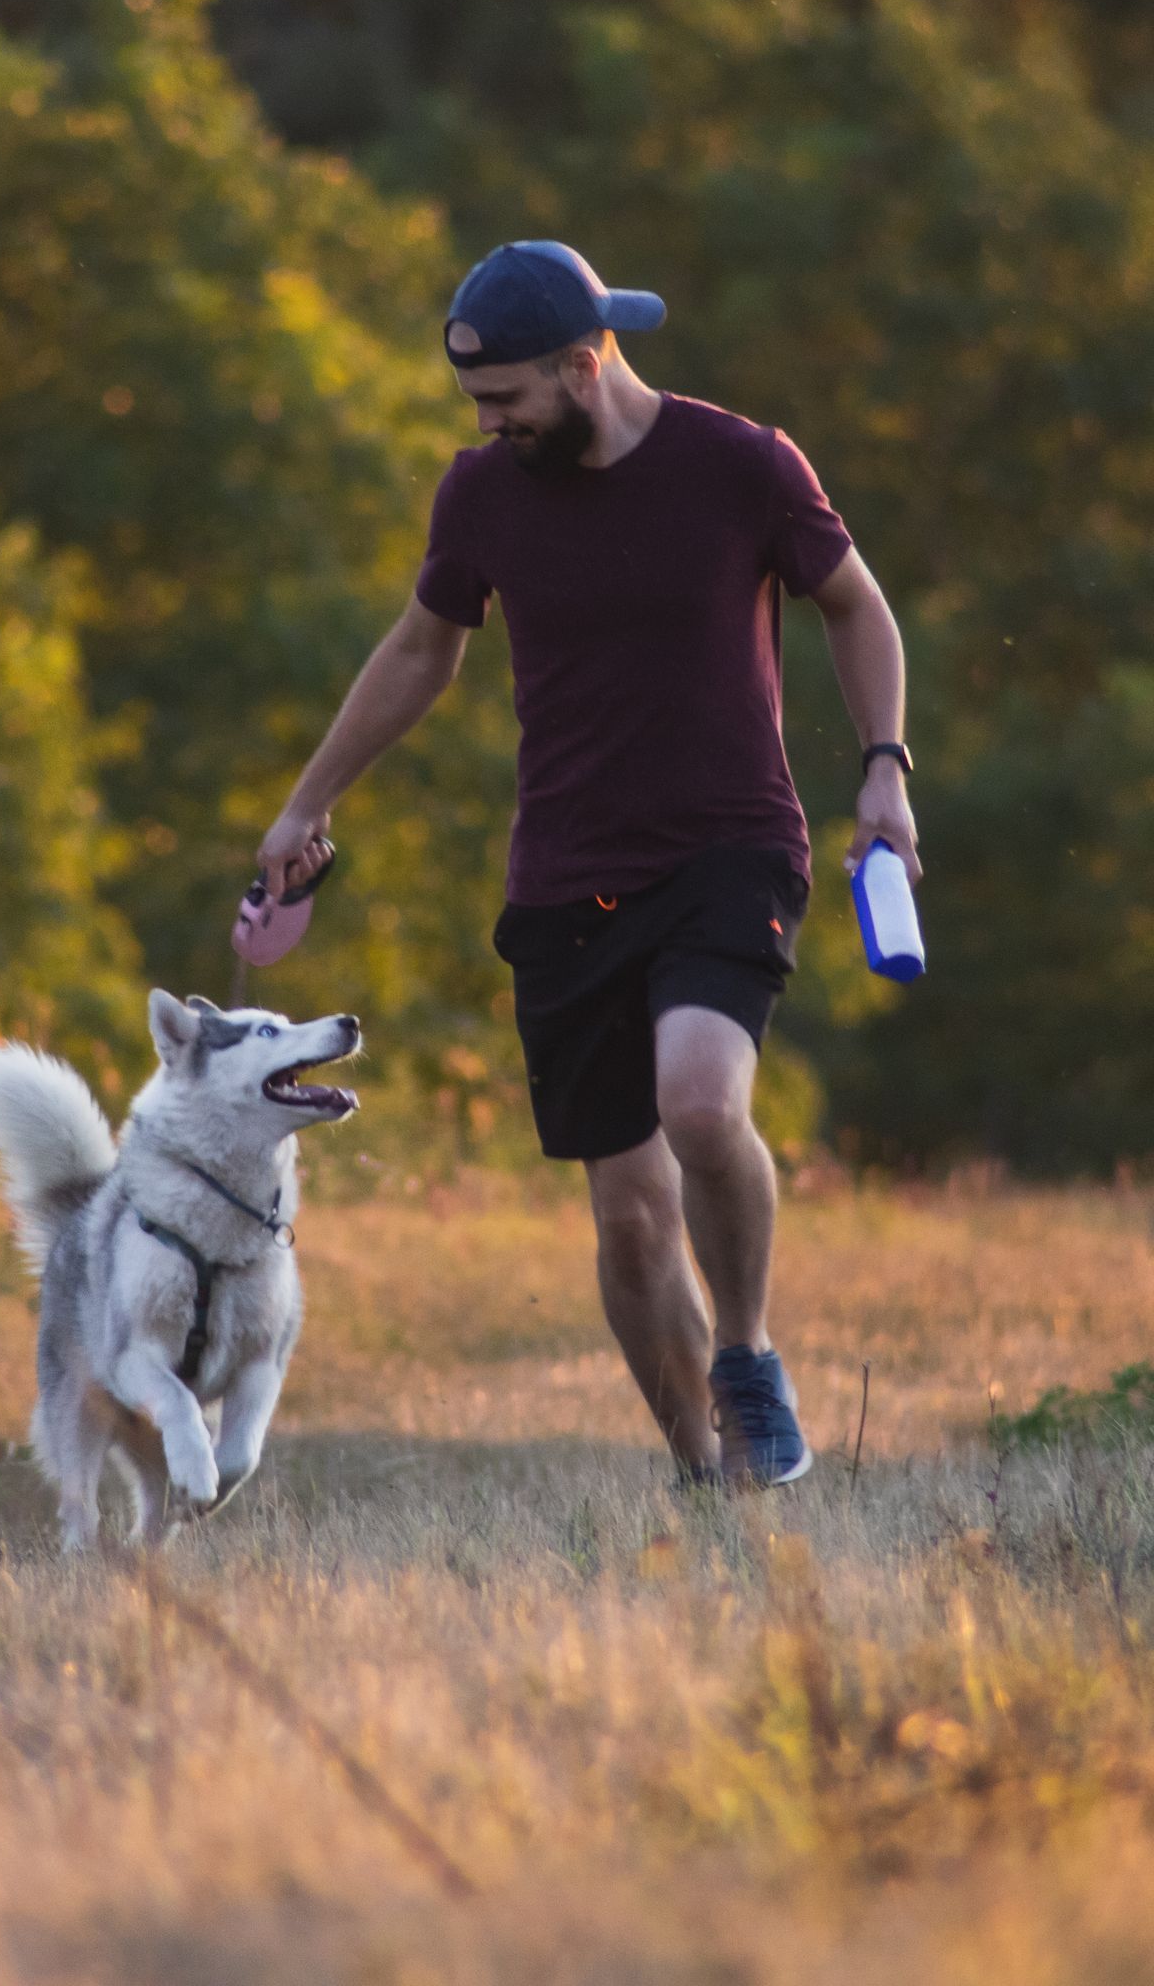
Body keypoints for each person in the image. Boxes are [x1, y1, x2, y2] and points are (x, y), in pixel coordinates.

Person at [260, 241, 919, 1487]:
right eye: (475, 403)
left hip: (728, 845)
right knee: (625, 1217)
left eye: (503, 397)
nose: (486, 423)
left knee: (701, 1104)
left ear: (581, 363)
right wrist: (309, 803)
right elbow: (418, 653)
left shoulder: (739, 465)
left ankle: (747, 1355)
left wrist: (883, 763)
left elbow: (855, 606)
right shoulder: (482, 496)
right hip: (564, 876)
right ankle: (702, 1475)